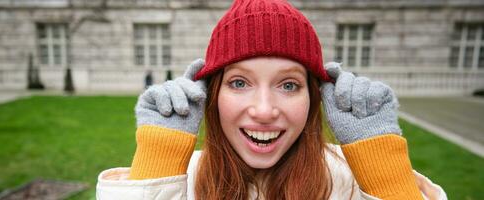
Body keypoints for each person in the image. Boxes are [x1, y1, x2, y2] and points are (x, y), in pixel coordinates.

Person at [97, 0, 447, 199]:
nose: (264, 111)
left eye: (289, 86)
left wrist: (385, 174)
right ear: (210, 94)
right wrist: (156, 170)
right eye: (238, 82)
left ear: (316, 96)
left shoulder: (353, 181)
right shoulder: (180, 179)